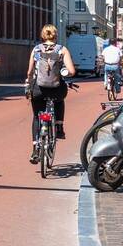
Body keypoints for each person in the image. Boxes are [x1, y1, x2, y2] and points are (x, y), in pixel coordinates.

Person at [26, 24, 76, 163]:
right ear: (55, 35)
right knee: (60, 100)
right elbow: (71, 71)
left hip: (38, 89)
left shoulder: (36, 49)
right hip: (56, 88)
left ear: (43, 35)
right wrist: (64, 72)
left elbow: (29, 72)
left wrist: (28, 81)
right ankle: (59, 127)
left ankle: (35, 149)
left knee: (37, 116)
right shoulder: (62, 50)